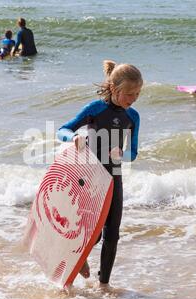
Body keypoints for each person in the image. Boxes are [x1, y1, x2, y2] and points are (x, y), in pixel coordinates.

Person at [57, 60, 143, 286]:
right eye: (130, 94)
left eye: (137, 94)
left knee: (112, 235)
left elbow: (132, 153)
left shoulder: (133, 116)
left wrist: (121, 155)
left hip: (114, 178)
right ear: (115, 89)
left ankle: (104, 285)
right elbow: (62, 130)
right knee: (92, 234)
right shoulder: (95, 109)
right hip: (90, 177)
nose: (133, 99)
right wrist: (73, 138)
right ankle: (77, 258)